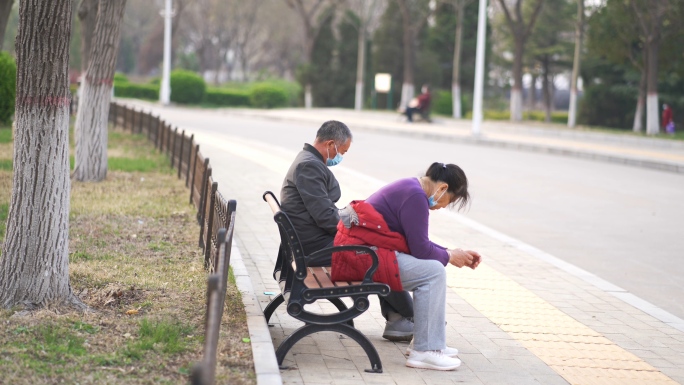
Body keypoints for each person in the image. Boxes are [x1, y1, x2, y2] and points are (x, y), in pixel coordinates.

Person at [331, 162, 481, 371]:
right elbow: (420, 249)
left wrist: (451, 253)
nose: (444, 206)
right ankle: (425, 351)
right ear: (443, 188)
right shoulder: (415, 197)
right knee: (433, 273)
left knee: (433, 270)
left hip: (359, 252)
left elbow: (417, 244)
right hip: (361, 256)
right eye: (450, 201)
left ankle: (430, 344)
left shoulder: (411, 187)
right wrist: (449, 256)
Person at [279, 120, 415, 341]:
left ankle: (398, 319)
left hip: (309, 240)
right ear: (330, 144)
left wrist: (353, 219)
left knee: (375, 247)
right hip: (313, 248)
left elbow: (323, 211)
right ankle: (412, 317)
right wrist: (356, 229)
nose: (340, 156)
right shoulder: (309, 166)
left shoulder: (308, 160)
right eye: (341, 151)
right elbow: (325, 218)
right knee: (379, 255)